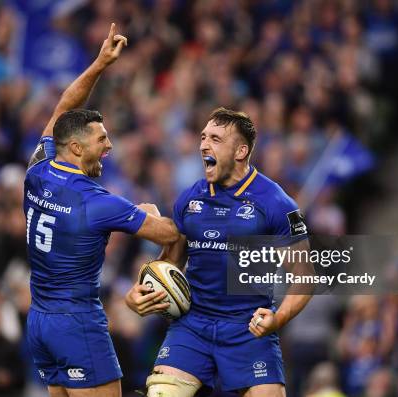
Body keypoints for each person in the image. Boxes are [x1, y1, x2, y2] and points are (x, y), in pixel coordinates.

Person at [24, 24, 179, 397]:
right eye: (101, 139)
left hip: (41, 322)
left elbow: (64, 107)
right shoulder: (97, 202)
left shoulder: (38, 168)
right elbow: (171, 234)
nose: (109, 147)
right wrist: (152, 214)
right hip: (78, 323)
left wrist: (100, 63)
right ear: (76, 149)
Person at [125, 108, 313, 397]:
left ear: (240, 151)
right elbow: (169, 263)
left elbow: (304, 278)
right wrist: (140, 292)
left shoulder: (277, 203)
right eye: (203, 137)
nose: (203, 145)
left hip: (247, 328)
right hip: (192, 325)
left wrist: (278, 317)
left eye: (215, 138)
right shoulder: (189, 199)